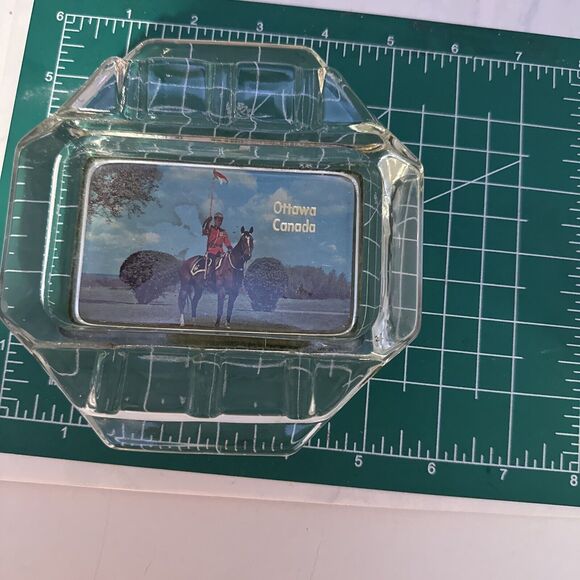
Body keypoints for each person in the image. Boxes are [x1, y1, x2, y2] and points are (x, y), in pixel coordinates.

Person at [202, 212, 233, 279]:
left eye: (221, 221)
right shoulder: (211, 229)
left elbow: (226, 241)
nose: (220, 222)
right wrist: (207, 222)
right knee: (212, 262)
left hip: (220, 252)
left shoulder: (223, 232)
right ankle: (210, 278)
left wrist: (229, 247)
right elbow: (204, 232)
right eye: (218, 220)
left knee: (227, 261)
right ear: (215, 220)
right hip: (211, 251)